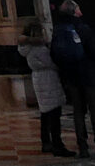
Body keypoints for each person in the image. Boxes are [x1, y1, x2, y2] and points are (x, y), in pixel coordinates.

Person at [51, 0, 95, 160]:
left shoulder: (59, 30)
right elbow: (94, 51)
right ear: (75, 11)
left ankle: (83, 148)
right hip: (89, 75)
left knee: (78, 112)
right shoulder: (83, 28)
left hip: (72, 77)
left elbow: (54, 54)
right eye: (78, 7)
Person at [18, 23, 73, 157]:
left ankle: (46, 142)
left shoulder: (28, 48)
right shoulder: (39, 49)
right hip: (48, 80)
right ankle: (56, 144)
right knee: (53, 113)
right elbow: (51, 62)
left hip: (40, 79)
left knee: (45, 112)